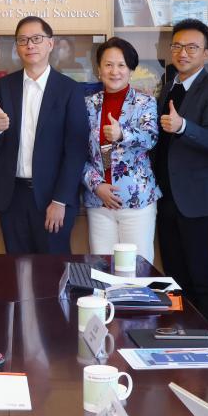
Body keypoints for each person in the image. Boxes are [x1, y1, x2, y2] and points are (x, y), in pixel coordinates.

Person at [152, 18, 208, 332]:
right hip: (166, 198)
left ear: (206, 53)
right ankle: (179, 340)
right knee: (174, 279)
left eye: (191, 47)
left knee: (202, 278)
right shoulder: (168, 85)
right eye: (177, 46)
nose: (183, 53)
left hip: (197, 201)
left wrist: (183, 126)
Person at [0, 16, 88, 254]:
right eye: (23, 40)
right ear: (17, 46)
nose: (30, 45)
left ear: (50, 44)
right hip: (12, 196)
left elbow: (76, 150)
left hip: (53, 197)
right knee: (17, 269)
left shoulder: (69, 89)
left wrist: (60, 200)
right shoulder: (4, 86)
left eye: (36, 39)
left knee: (53, 269)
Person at [82, 37, 160, 262]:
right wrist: (96, 186)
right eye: (108, 65)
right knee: (102, 269)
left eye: (121, 65)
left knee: (137, 269)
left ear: (131, 70)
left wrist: (121, 134)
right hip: (99, 202)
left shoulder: (145, 102)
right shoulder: (87, 105)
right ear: (99, 69)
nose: (114, 71)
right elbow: (75, 153)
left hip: (137, 203)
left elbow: (151, 138)